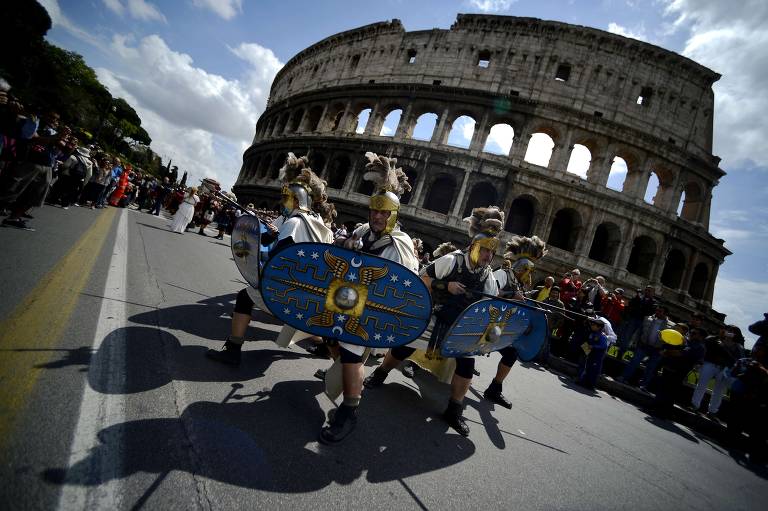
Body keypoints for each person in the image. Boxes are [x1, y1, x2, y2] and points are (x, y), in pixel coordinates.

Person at [364, 206, 504, 437]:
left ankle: (453, 410)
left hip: (461, 324)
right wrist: (445, 285)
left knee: (466, 365)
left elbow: (491, 302)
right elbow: (423, 278)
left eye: (492, 252)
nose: (488, 256)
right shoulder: (453, 260)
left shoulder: (487, 275)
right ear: (473, 246)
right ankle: (379, 374)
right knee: (404, 347)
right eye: (485, 250)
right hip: (436, 315)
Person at [317, 152, 419, 444]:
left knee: (351, 353)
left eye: (384, 212)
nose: (377, 216)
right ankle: (342, 375)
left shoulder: (401, 246)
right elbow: (339, 253)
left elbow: (403, 287)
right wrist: (344, 244)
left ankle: (349, 412)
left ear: (394, 215)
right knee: (332, 342)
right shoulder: (363, 230)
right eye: (374, 210)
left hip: (370, 311)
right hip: (345, 300)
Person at [206, 153, 334, 366]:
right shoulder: (319, 222)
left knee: (244, 298)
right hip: (309, 292)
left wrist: (270, 238)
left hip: (286, 290)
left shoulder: (294, 223)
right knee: (303, 320)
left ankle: (233, 349)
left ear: (296, 200)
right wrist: (272, 234)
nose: (283, 202)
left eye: (287, 198)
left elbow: (278, 259)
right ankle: (324, 347)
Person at [483, 235, 547, 407]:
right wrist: (512, 295)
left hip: (498, 328)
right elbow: (489, 293)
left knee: (511, 353)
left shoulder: (518, 284)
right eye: (529, 271)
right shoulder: (502, 274)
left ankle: (494, 389)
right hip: (484, 323)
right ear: (522, 268)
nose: (530, 276)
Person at [690, 325, 745, 417]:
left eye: (732, 331)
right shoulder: (715, 339)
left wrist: (725, 348)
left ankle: (712, 411)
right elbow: (706, 345)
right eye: (728, 330)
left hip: (725, 368)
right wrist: (719, 337)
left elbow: (738, 360)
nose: (729, 332)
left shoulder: (738, 346)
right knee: (701, 385)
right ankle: (694, 405)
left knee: (719, 391)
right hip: (710, 363)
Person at [618, 305, 674, 389]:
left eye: (660, 311)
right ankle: (623, 377)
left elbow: (670, 340)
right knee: (634, 362)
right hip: (644, 345)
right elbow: (639, 331)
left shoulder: (671, 326)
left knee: (650, 368)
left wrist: (665, 350)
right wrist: (634, 342)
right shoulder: (648, 319)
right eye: (657, 310)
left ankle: (643, 385)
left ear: (665, 314)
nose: (657, 312)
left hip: (658, 349)